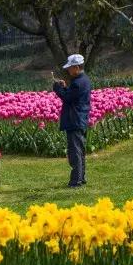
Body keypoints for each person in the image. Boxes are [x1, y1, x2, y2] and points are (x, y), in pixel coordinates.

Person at [52, 53, 92, 188]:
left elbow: (68, 98)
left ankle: (76, 181)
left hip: (74, 120)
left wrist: (58, 89)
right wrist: (65, 87)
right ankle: (81, 177)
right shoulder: (84, 80)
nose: (68, 71)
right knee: (80, 151)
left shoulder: (77, 83)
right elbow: (72, 95)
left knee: (75, 152)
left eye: (70, 68)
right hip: (80, 119)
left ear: (76, 67)